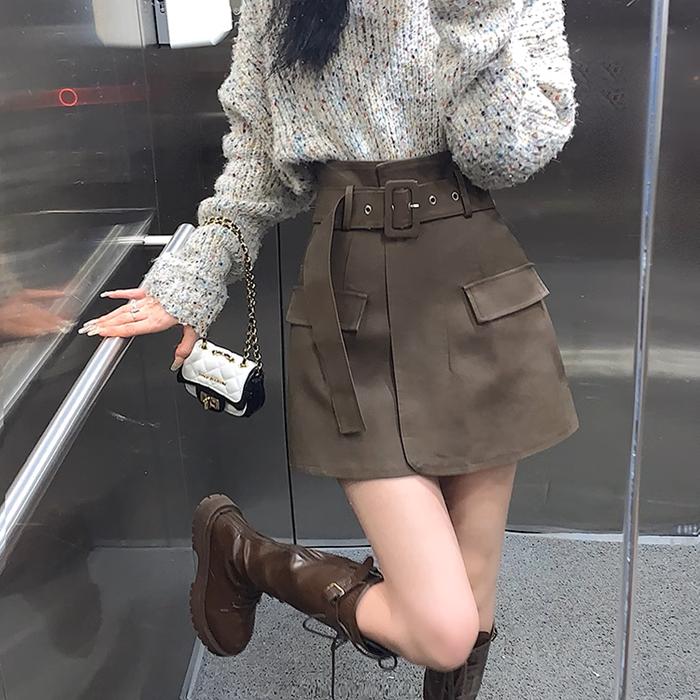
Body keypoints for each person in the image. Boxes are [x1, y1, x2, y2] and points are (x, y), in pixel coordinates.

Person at [79, 0, 579, 697]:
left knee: (473, 594)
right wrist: (194, 275)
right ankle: (246, 555)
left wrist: (473, 14)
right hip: (350, 308)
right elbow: (257, 165)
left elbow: (506, 155)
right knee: (443, 628)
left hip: (479, 296)